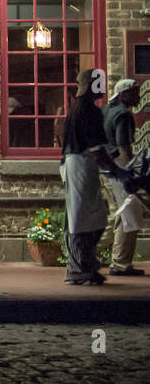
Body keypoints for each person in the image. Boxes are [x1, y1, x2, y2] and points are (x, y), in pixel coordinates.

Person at [61, 70, 112, 285]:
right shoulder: (88, 110)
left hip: (78, 163)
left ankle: (84, 264)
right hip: (80, 163)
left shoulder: (78, 107)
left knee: (89, 215)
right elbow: (96, 146)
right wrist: (115, 169)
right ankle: (79, 266)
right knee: (83, 218)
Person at [100, 78, 143, 275]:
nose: (139, 95)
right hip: (118, 168)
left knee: (115, 214)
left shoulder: (106, 110)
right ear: (123, 94)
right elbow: (123, 146)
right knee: (129, 212)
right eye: (134, 92)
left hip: (104, 167)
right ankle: (120, 264)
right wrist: (131, 173)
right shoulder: (124, 114)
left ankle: (85, 253)